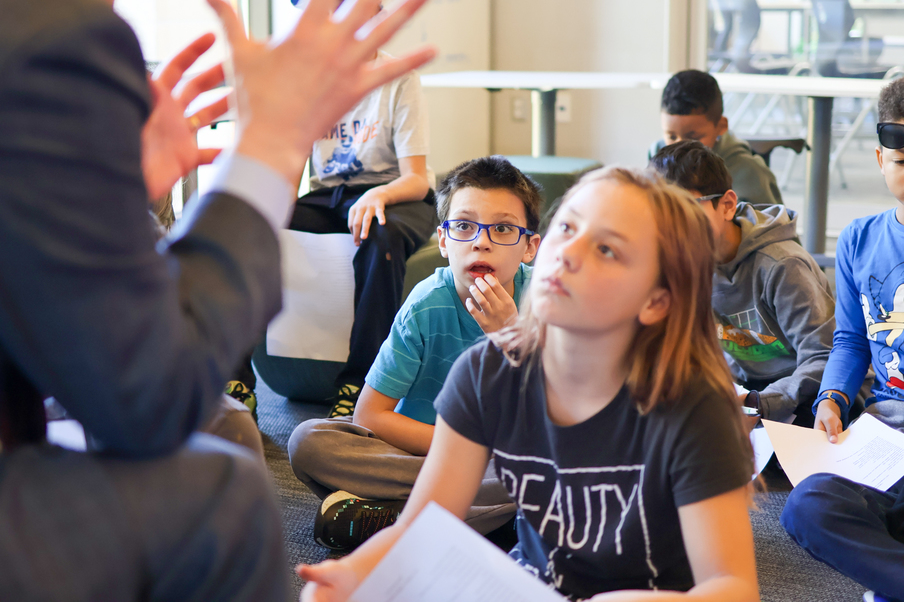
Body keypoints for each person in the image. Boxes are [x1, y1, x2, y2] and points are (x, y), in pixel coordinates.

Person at [0, 0, 434, 597]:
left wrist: (94, 194)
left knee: (224, 424)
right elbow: (146, 395)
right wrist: (269, 146)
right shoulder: (36, 20)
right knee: (219, 492)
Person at [299, 167, 758, 601]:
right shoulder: (486, 372)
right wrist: (354, 574)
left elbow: (732, 586)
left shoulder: (693, 405)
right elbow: (421, 527)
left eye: (607, 250)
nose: (569, 253)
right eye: (567, 228)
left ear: (656, 301)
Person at [288, 156, 541, 550]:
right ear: (443, 240)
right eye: (463, 225)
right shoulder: (426, 304)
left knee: (548, 469)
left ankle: (397, 518)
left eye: (504, 228)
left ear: (529, 247)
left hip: (506, 461)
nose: (481, 240)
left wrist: (510, 337)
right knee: (308, 440)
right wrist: (462, 453)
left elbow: (558, 423)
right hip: (424, 452)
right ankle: (480, 522)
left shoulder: (546, 302)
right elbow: (371, 414)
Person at [233, 0, 438, 420]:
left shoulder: (397, 77)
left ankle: (360, 383)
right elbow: (294, 165)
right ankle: (237, 378)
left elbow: (417, 177)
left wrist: (378, 195)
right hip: (330, 195)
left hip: (396, 191)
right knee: (254, 226)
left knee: (380, 237)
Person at [780, 79, 904, 602]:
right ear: (880, 159)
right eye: (903, 161)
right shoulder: (859, 239)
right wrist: (831, 397)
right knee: (807, 506)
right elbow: (852, 341)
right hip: (885, 440)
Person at [650, 141, 834, 426]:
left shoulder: (781, 266)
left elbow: (824, 357)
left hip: (806, 399)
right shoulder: (683, 262)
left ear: (727, 205)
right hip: (743, 394)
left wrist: (759, 405)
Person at [652, 70, 783, 206]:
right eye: (671, 136)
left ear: (721, 126)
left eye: (694, 138)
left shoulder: (750, 173)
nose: (680, 148)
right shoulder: (656, 157)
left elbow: (774, 225)